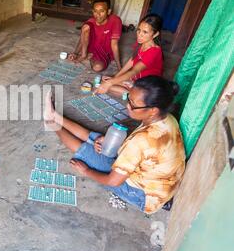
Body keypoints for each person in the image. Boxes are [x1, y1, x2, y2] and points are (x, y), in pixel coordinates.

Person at [44, 76, 186, 214]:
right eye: (129, 99)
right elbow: (143, 149)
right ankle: (54, 116)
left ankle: (51, 123)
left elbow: (113, 181)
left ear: (153, 110)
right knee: (98, 139)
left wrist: (87, 171)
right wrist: (109, 141)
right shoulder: (166, 118)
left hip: (144, 196)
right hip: (160, 183)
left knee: (86, 150)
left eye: (133, 105)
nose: (128, 106)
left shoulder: (141, 141)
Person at [95, 14, 164, 97]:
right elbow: (131, 61)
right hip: (136, 79)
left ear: (155, 34)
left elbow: (134, 71)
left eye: (145, 32)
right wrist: (114, 78)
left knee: (108, 85)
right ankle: (130, 91)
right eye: (139, 30)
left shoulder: (154, 51)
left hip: (147, 85)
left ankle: (136, 96)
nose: (139, 35)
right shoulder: (141, 42)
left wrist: (110, 82)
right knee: (105, 81)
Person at [69, 0, 122, 72]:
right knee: (86, 26)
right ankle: (85, 55)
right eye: (95, 11)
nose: (98, 15)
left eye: (102, 11)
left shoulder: (115, 20)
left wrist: (119, 67)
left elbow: (114, 44)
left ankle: (90, 56)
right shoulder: (91, 21)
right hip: (92, 47)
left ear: (108, 11)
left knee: (97, 67)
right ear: (93, 11)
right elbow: (82, 39)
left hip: (105, 51)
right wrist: (75, 53)